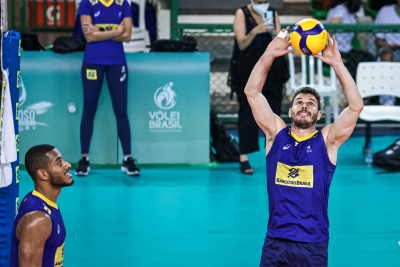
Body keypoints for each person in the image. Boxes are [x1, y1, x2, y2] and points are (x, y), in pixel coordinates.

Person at [245, 28, 364, 266]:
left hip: (313, 243)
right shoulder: (275, 135)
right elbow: (252, 91)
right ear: (290, 112)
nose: (304, 106)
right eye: (299, 102)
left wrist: (338, 64)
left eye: (311, 104)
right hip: (275, 241)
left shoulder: (327, 141)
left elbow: (355, 107)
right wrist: (269, 54)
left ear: (319, 114)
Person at [75, 0, 140, 176]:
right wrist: (115, 31)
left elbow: (127, 36)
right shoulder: (87, 3)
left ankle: (127, 159)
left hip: (117, 63)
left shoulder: (123, 4)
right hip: (92, 63)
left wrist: (100, 31)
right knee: (89, 109)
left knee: (121, 110)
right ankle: (84, 159)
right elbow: (88, 36)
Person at [230, 0, 289, 174]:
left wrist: (281, 37)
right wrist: (257, 30)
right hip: (248, 68)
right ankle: (244, 157)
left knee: (274, 112)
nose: (262, 3)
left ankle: (274, 156)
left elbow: (282, 41)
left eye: (264, 1)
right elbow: (241, 43)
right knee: (247, 113)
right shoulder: (242, 13)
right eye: (258, 1)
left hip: (272, 69)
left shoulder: (273, 13)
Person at [10, 145, 74, 267]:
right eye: (59, 163)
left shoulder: (43, 201)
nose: (68, 165)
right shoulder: (38, 220)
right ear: (43, 174)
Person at [326, 0, 374, 79]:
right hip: (337, 51)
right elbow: (328, 34)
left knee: (368, 57)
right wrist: (332, 54)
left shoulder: (348, 10)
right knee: (351, 67)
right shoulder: (340, 10)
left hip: (348, 50)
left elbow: (357, 23)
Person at [375, 0, 400, 106]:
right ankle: (387, 100)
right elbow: (378, 40)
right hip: (388, 49)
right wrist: (389, 46)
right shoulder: (385, 11)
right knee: (387, 54)